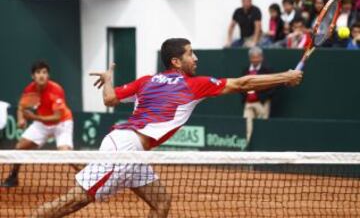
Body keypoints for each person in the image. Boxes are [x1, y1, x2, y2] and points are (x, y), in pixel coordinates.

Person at [32, 38, 303, 218]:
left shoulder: (147, 81)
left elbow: (109, 98)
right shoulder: (193, 84)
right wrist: (285, 77)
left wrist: (109, 78)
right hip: (125, 148)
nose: (195, 58)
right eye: (190, 54)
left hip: (132, 149)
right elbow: (243, 84)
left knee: (161, 203)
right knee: (75, 200)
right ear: (176, 61)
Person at [0, 61, 74, 187]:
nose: (41, 75)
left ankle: (90, 179)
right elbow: (21, 107)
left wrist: (34, 117)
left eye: (44, 72)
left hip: (62, 123)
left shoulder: (56, 89)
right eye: (38, 72)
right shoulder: (30, 89)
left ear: (48, 75)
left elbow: (57, 116)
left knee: (67, 155)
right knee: (19, 148)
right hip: (42, 123)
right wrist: (21, 120)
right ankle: (13, 177)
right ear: (33, 76)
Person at [241, 47, 274, 141]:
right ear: (250, 58)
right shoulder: (245, 70)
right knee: (247, 126)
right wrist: (245, 98)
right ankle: (247, 146)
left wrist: (263, 98)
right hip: (248, 103)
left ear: (261, 57)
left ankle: (262, 145)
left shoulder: (267, 70)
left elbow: (272, 87)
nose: (255, 60)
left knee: (262, 126)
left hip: (262, 103)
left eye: (257, 57)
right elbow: (241, 87)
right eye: (253, 57)